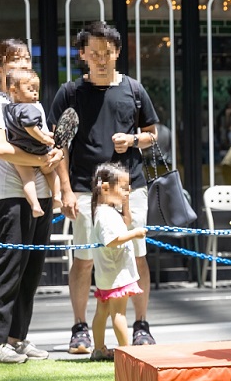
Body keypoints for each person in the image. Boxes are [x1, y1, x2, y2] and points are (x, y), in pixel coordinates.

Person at [49, 21, 159, 354]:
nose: (100, 59)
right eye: (94, 53)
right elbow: (60, 146)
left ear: (117, 53)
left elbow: (153, 132)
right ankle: (80, 328)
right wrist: (65, 190)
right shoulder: (70, 93)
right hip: (85, 189)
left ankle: (141, 326)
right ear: (82, 54)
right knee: (83, 259)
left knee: (137, 255)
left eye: (107, 53)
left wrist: (134, 139)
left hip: (130, 188)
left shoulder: (133, 90)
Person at [0, 39, 63, 363]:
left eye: (27, 59)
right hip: (13, 195)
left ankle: (17, 338)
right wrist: (39, 160)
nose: (23, 65)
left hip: (42, 194)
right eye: (15, 60)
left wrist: (54, 156)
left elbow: (48, 141)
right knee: (9, 268)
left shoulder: (35, 101)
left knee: (31, 271)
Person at [89, 163, 147, 360]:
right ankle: (127, 351)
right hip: (116, 274)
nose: (127, 191)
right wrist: (135, 234)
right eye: (123, 187)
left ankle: (98, 348)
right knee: (119, 314)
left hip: (108, 275)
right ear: (105, 188)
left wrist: (125, 204)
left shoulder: (105, 211)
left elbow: (125, 222)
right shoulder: (105, 215)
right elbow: (112, 241)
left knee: (102, 312)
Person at [3, 68, 61, 218]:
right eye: (30, 89)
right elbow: (31, 128)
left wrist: (45, 134)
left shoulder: (9, 109)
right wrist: (44, 138)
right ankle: (57, 196)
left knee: (28, 179)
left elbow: (22, 130)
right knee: (50, 172)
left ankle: (34, 205)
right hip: (37, 149)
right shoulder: (29, 108)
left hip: (20, 153)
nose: (35, 93)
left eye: (36, 89)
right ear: (14, 90)